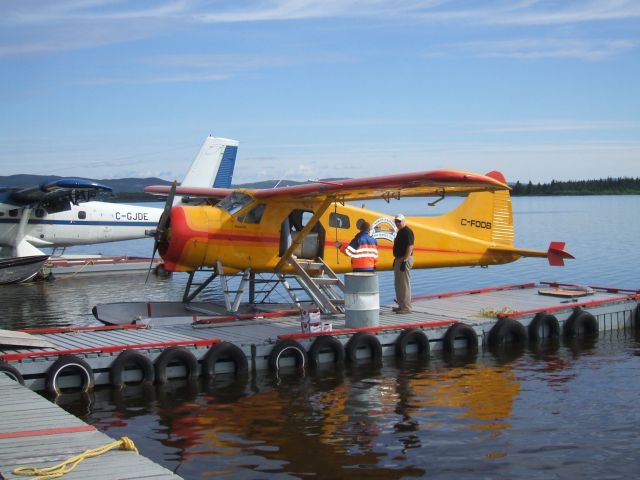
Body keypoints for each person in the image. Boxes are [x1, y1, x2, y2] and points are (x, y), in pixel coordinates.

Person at [392, 213, 414, 313]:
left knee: (404, 284)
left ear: (404, 221)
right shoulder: (400, 232)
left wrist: (405, 260)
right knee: (398, 284)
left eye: (399, 221)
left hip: (404, 259)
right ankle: (401, 305)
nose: (397, 223)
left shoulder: (407, 232)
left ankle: (406, 307)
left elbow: (410, 246)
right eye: (396, 221)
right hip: (399, 259)